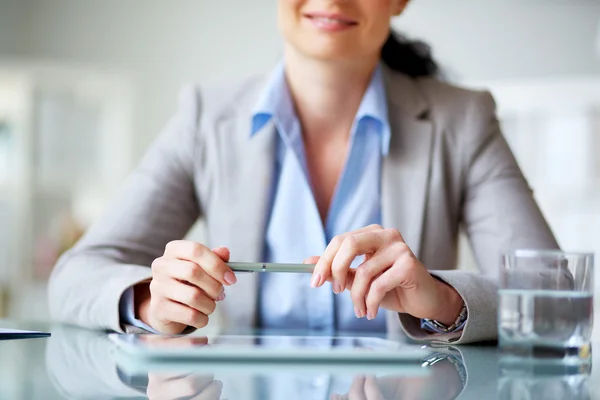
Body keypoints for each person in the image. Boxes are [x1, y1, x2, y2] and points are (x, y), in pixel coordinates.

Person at [48, 0, 558, 344]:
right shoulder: (206, 116)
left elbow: (551, 294)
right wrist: (151, 299)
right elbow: (76, 275)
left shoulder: (463, 120)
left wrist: (442, 300)